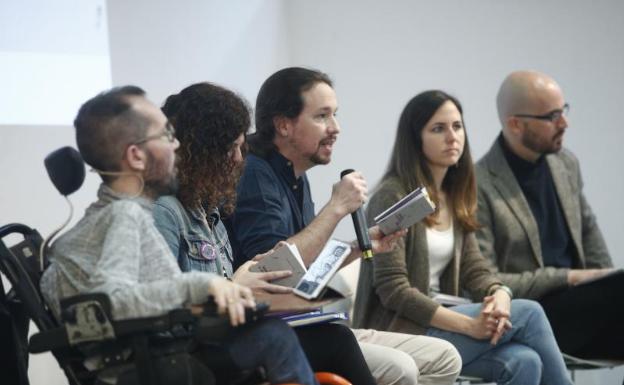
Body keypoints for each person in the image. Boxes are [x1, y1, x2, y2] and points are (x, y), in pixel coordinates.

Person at [39, 86, 319, 385]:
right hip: (153, 366)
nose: (176, 146)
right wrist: (205, 284)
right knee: (273, 337)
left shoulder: (97, 223)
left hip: (151, 359)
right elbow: (112, 301)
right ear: (136, 156)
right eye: (166, 136)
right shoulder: (125, 215)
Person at [227, 67, 462, 385]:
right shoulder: (256, 176)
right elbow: (277, 273)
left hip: (312, 322)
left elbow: (305, 267)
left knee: (445, 357)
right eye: (322, 116)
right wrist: (336, 208)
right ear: (283, 125)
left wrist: (359, 247)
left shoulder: (296, 176)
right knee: (399, 367)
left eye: (335, 115)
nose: (335, 128)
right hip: (279, 330)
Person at [152, 81, 377, 385]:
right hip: (190, 350)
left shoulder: (210, 213)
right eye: (229, 149)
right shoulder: (166, 212)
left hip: (225, 335)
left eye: (240, 147)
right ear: (199, 153)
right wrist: (235, 285)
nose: (237, 160)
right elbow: (163, 307)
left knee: (332, 335)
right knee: (313, 339)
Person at [355, 90, 573, 385]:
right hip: (403, 330)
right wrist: (469, 325)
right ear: (415, 139)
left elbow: (475, 269)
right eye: (438, 129)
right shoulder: (393, 196)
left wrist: (500, 293)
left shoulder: (454, 194)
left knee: (525, 361)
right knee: (531, 313)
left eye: (457, 127)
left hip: (445, 322)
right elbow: (394, 290)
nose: (452, 137)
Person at [475, 70, 624, 359]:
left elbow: (590, 234)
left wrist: (608, 283)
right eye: (552, 116)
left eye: (563, 111)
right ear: (515, 124)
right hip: (532, 312)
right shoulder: (479, 184)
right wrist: (568, 277)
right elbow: (488, 281)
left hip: (584, 309)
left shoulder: (565, 164)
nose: (564, 123)